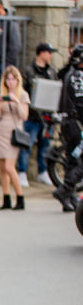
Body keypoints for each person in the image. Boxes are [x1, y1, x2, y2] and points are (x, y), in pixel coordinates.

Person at [18, 42, 58, 186]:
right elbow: (22, 90)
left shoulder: (52, 72)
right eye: (49, 52)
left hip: (47, 117)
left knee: (45, 145)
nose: (51, 55)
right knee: (26, 144)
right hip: (33, 116)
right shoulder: (28, 71)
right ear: (41, 53)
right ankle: (22, 172)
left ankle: (43, 171)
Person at [0, 66, 29, 210]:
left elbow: (24, 116)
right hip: (2, 130)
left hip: (14, 132)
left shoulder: (23, 95)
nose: (10, 82)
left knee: (10, 166)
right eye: (8, 79)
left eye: (13, 79)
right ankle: (6, 197)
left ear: (17, 80)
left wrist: (16, 101)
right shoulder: (3, 95)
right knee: (2, 167)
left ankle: (20, 197)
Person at [53, 44, 83, 212]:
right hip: (75, 124)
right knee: (79, 162)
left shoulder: (68, 72)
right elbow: (80, 103)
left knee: (72, 160)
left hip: (67, 123)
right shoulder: (78, 76)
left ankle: (69, 197)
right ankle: (65, 189)